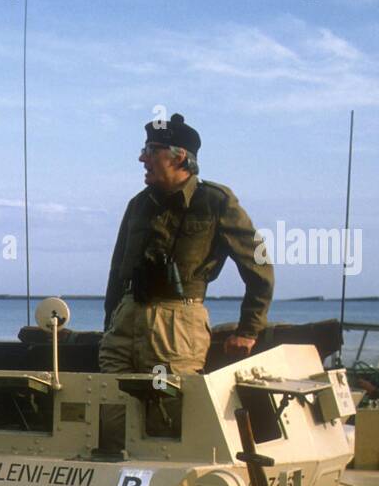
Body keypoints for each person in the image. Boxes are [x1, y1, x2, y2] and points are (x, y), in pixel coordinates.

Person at [99, 113, 273, 377]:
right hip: (125, 323)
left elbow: (259, 267)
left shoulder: (216, 202)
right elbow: (116, 272)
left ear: (179, 157)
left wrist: (248, 331)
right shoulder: (138, 204)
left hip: (176, 329)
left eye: (150, 151)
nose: (142, 158)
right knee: (111, 408)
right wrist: (110, 325)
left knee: (167, 412)